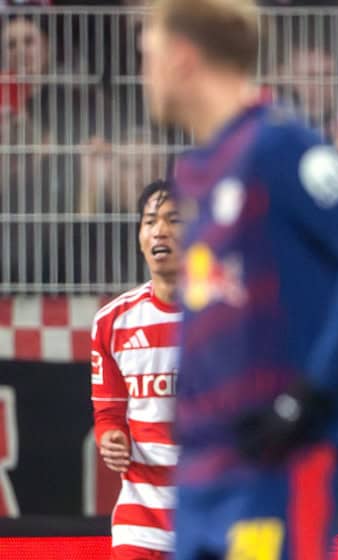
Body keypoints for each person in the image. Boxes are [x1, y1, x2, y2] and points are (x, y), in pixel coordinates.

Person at [140, 1, 338, 558]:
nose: (143, 69)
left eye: (149, 53)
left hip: (276, 468)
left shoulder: (280, 145)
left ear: (184, 58)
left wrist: (304, 397)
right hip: (204, 468)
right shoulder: (195, 172)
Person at [90, 180, 183, 560]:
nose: (159, 230)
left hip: (212, 508)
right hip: (139, 513)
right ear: (140, 237)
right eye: (149, 222)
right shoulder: (112, 321)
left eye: (173, 220)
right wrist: (110, 437)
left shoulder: (227, 316)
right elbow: (108, 414)